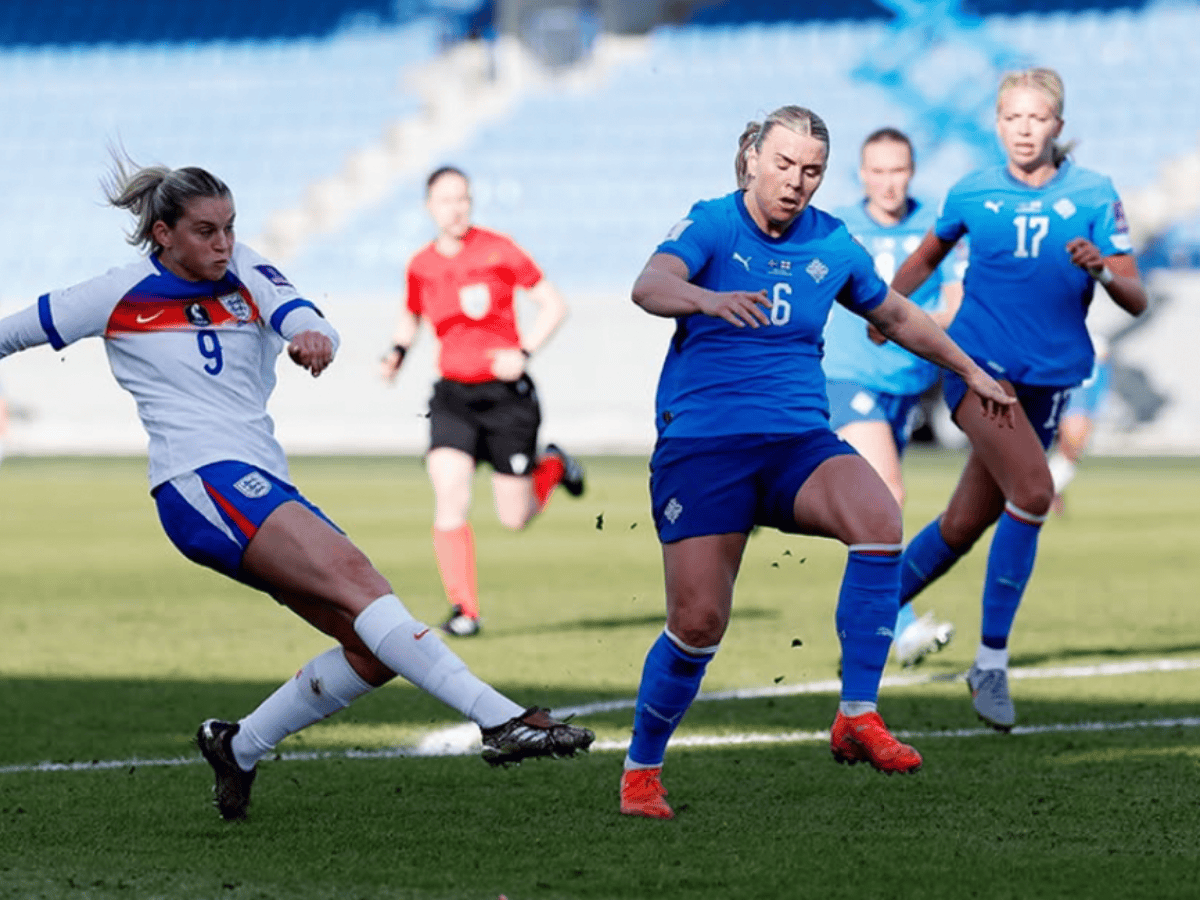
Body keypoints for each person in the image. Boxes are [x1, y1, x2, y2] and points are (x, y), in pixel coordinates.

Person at [0, 157, 593, 821]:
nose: (223, 243)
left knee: (371, 651)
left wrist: (314, 335)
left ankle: (239, 745)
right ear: (163, 234)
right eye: (205, 231)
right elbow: (12, 331)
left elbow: (301, 312)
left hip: (258, 480)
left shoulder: (244, 268)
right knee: (360, 580)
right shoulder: (117, 292)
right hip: (200, 481)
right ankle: (503, 719)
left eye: (229, 227)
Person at [618, 105, 1014, 820]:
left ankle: (857, 714)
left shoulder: (833, 242)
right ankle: (642, 770)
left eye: (811, 171)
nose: (796, 182)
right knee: (699, 622)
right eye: (783, 165)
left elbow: (893, 315)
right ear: (752, 160)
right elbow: (649, 286)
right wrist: (707, 300)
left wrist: (971, 370)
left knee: (879, 519)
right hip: (704, 448)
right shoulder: (710, 224)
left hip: (799, 443)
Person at [890, 67, 1147, 732]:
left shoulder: (1094, 193)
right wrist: (884, 305)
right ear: (998, 124)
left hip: (1051, 380)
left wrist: (1101, 270)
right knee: (1033, 494)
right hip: (979, 370)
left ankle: (865, 611)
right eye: (1013, 119)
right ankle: (991, 665)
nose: (1025, 130)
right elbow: (924, 256)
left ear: (1058, 126)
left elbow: (1134, 295)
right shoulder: (973, 190)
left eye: (1037, 119)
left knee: (962, 525)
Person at [381, 165, 585, 638]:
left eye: (463, 199)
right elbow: (410, 316)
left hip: (506, 399)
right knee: (449, 495)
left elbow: (554, 304)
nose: (457, 208)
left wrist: (525, 351)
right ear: (429, 207)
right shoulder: (421, 264)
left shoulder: (499, 249)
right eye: (447, 200)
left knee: (514, 518)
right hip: (452, 396)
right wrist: (396, 354)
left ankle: (552, 465)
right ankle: (464, 611)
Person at [823, 127, 965, 667]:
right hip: (847, 376)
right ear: (862, 174)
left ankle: (865, 627)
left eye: (897, 170)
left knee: (876, 513)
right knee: (888, 494)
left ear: (912, 170)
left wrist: (902, 321)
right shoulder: (840, 230)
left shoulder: (937, 226)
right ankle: (896, 624)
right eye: (877, 171)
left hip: (906, 384)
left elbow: (956, 304)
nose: (888, 182)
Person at [1047, 334, 1112, 514]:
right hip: (1076, 407)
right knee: (1070, 452)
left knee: (1068, 453)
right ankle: (1045, 491)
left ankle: (1048, 490)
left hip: (1076, 406)